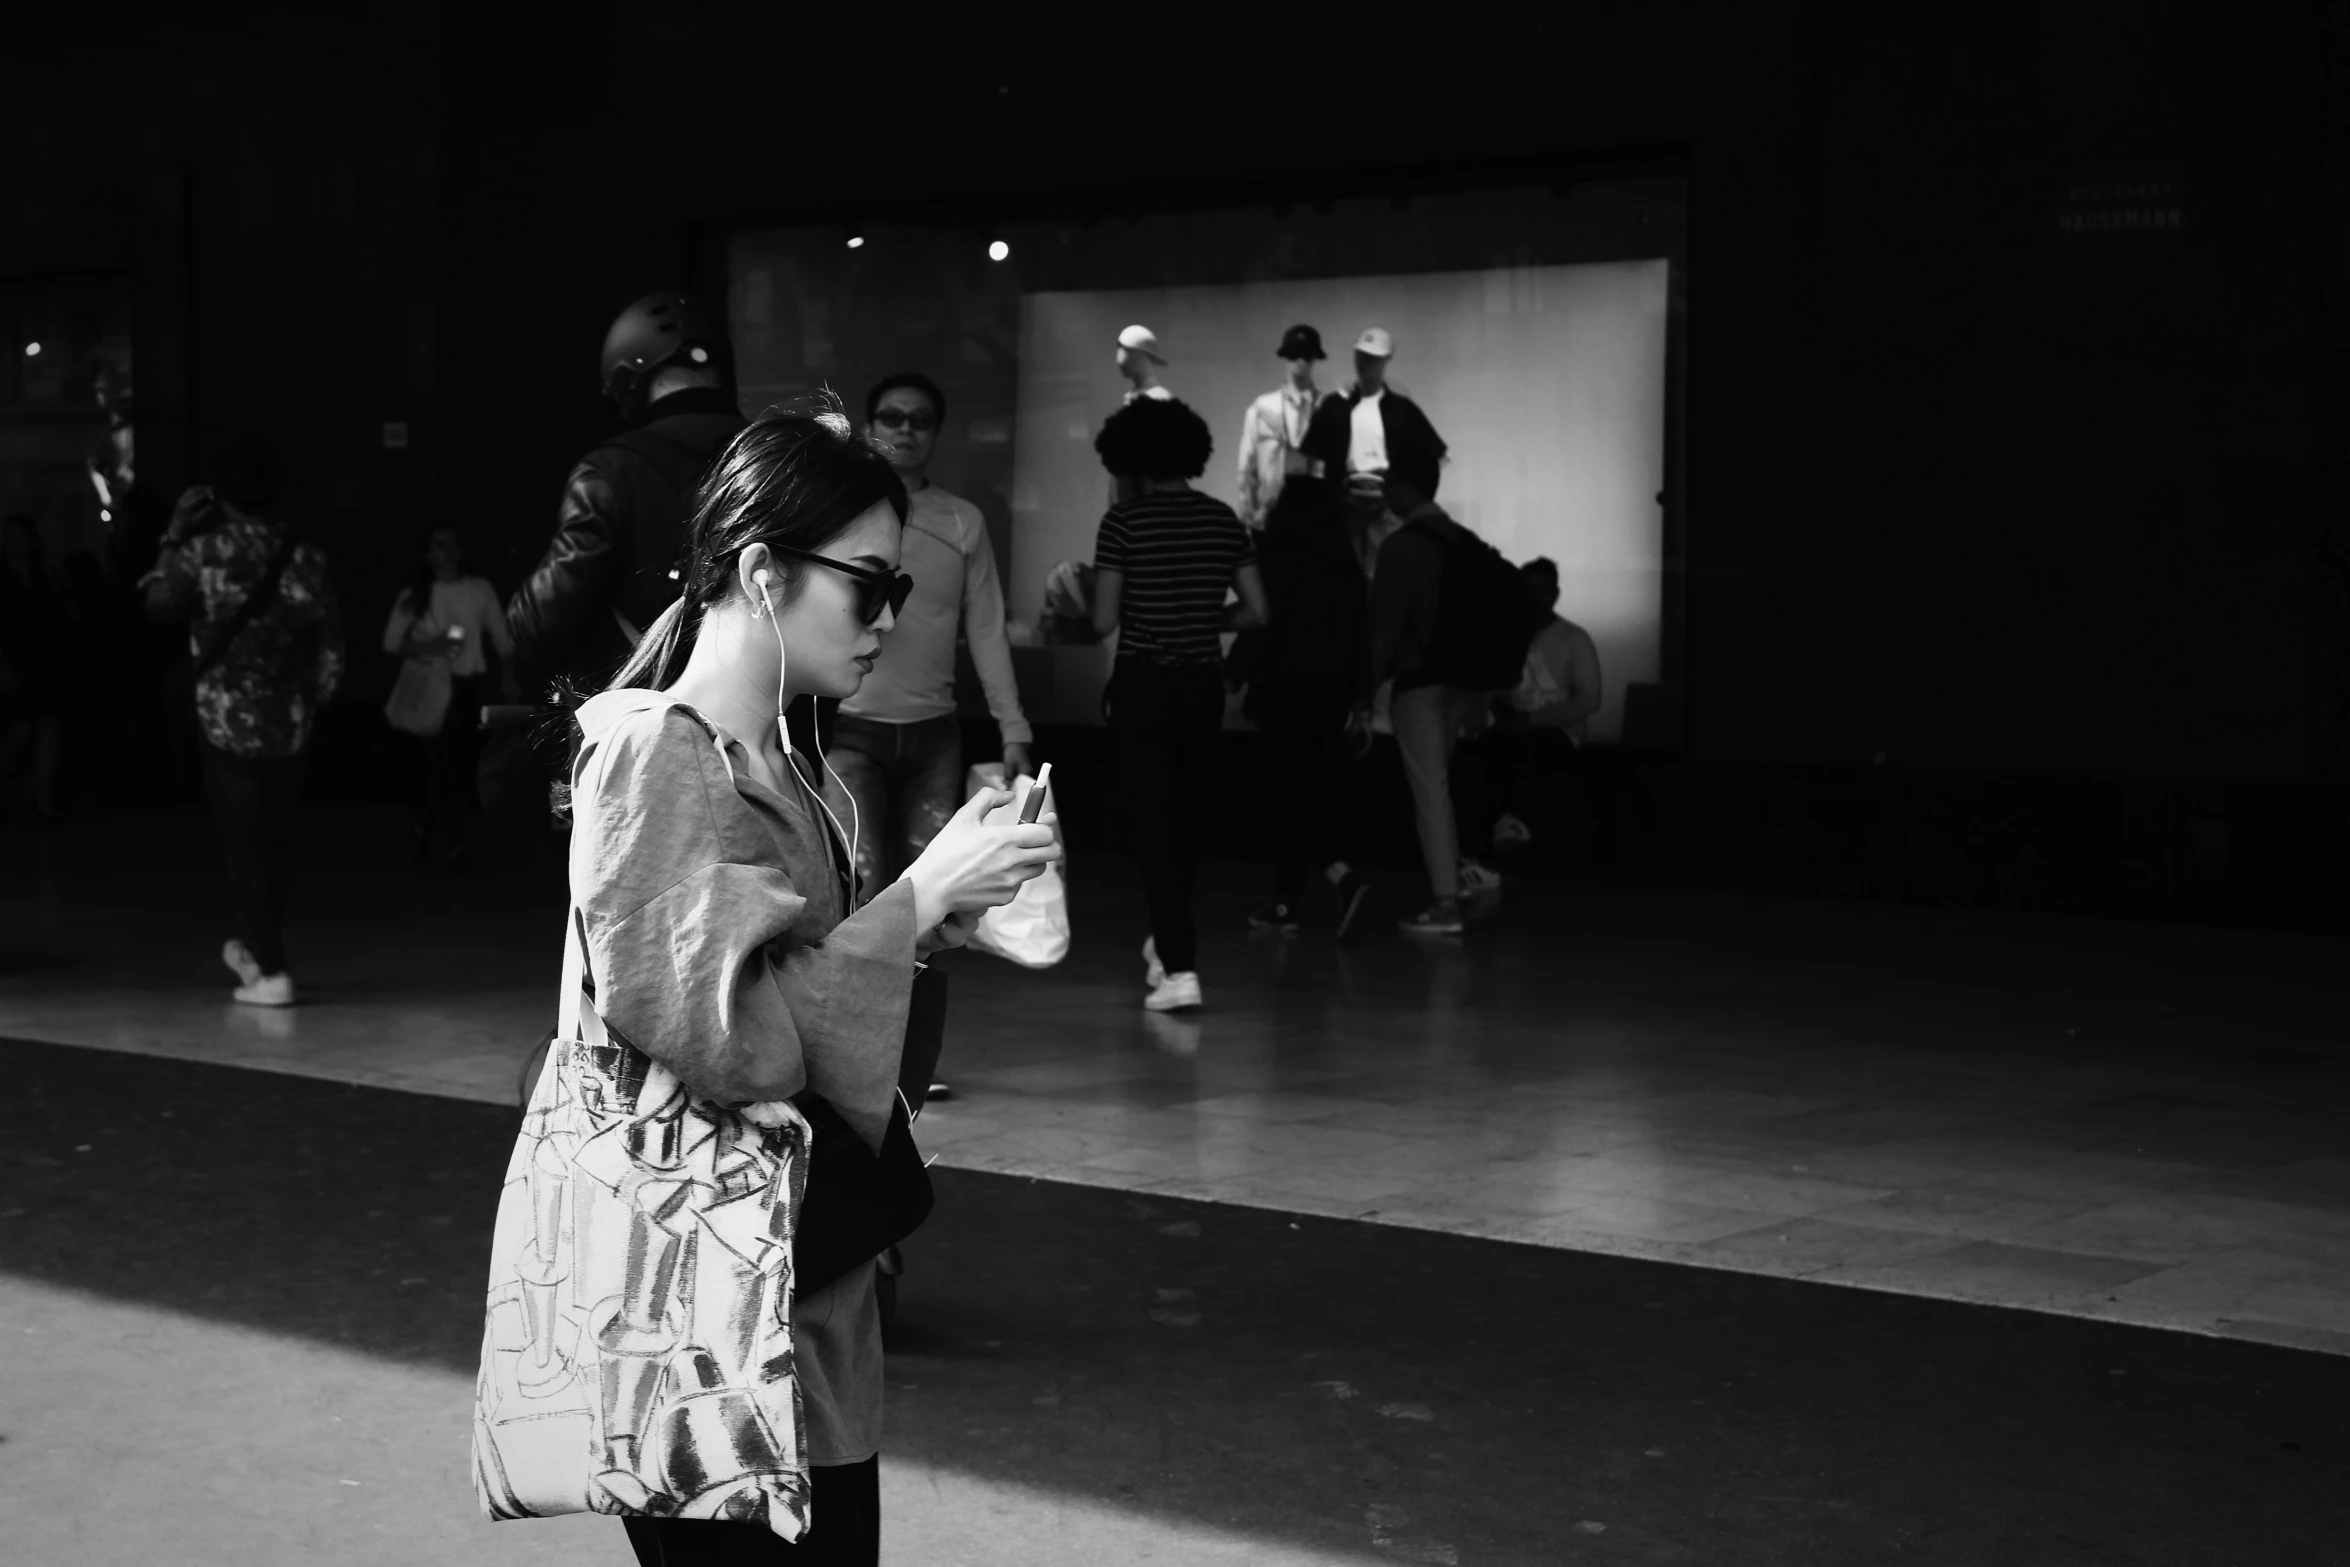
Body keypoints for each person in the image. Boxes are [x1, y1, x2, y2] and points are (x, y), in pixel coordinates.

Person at [539, 408, 1058, 1565]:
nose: (887, 618)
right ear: (763, 572)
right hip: (712, 1341)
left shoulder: (782, 755)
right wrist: (915, 906)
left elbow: (784, 994)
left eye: (901, 591)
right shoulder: (659, 754)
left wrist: (933, 917)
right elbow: (742, 1044)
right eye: (868, 584)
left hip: (788, 1312)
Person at [143, 437, 344, 1005]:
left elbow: (157, 606)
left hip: (225, 717)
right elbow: (329, 643)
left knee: (243, 842)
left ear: (222, 497)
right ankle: (259, 950)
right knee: (278, 841)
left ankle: (273, 970)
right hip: (292, 718)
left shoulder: (203, 552)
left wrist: (174, 531)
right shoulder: (306, 556)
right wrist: (322, 699)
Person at [1090, 396, 1268, 1010]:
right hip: (1201, 689)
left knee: (1152, 824)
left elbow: (1103, 618)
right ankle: (1169, 945)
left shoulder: (1124, 524)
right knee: (1187, 823)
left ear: (1130, 459)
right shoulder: (1223, 520)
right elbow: (1257, 611)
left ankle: (1181, 968)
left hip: (1143, 686)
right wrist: (1202, 615)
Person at [829, 372, 1033, 898]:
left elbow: (987, 630)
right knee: (858, 887)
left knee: (934, 893)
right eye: (893, 417)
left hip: (934, 735)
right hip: (851, 726)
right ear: (870, 426)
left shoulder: (964, 519)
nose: (907, 429)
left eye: (921, 420)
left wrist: (1013, 728)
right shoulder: (838, 512)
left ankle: (916, 985)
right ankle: (862, 984)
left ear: (937, 432)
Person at [507, 291, 747, 698]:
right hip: (767, 730)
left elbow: (538, 628)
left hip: (640, 733)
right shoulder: (781, 456)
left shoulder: (611, 470)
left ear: (626, 379)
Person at [1238, 437, 1375, 940]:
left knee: (1289, 798)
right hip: (1331, 696)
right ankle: (1296, 897)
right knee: (1310, 794)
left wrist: (1236, 674)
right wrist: (1361, 702)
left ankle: (1324, 884)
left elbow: (1262, 627)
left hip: (1283, 692)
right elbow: (1360, 637)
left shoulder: (1278, 563)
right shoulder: (1345, 570)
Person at [1366, 486, 1515, 938]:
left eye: (1391, 479)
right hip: (1463, 681)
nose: (1385, 488)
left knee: (1430, 793)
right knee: (1440, 786)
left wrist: (1363, 688)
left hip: (1419, 681)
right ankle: (1457, 883)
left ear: (1405, 488)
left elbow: (1386, 626)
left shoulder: (1401, 547)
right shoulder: (1463, 540)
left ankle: (1445, 902)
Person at [381, 526, 514, 867]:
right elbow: (392, 642)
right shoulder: (417, 594)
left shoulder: (477, 589)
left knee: (454, 764)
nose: (449, 550)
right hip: (429, 685)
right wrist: (432, 645)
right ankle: (452, 843)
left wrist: (509, 675)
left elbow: (501, 635)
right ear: (429, 552)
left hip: (465, 686)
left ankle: (426, 829)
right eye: (440, 544)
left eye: (453, 542)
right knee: (439, 763)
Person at [1488, 557, 1603, 849]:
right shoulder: (1506, 635)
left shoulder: (1575, 639)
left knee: (1531, 748)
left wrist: (1531, 720)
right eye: (1527, 590)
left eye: (1541, 590)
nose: (1534, 597)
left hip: (1560, 732)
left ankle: (1515, 825)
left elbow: (1590, 698)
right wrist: (1502, 712)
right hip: (1517, 723)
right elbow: (1495, 686)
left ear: (1555, 594)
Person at [1300, 326, 1448, 523]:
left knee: (1390, 550)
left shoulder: (1401, 409)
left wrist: (1413, 496)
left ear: (1386, 359)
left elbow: (1437, 455)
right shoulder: (1334, 405)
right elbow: (1312, 457)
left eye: (1372, 357)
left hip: (1387, 503)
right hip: (1342, 502)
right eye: (1361, 355)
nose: (1364, 362)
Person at [0, 515, 65, 818]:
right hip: (16, 661)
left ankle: (44, 799)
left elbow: (55, 618)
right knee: (21, 730)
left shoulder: (45, 573)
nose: (14, 542)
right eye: (8, 536)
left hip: (44, 660)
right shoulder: (3, 578)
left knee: (46, 730)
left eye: (18, 536)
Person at [1235, 324, 1325, 530]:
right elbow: (1246, 468)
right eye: (1294, 354)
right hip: (1269, 517)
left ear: (1315, 358)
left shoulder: (1326, 408)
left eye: (1308, 354)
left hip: (1317, 518)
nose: (1301, 360)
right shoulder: (1262, 408)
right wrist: (1248, 515)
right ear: (1285, 356)